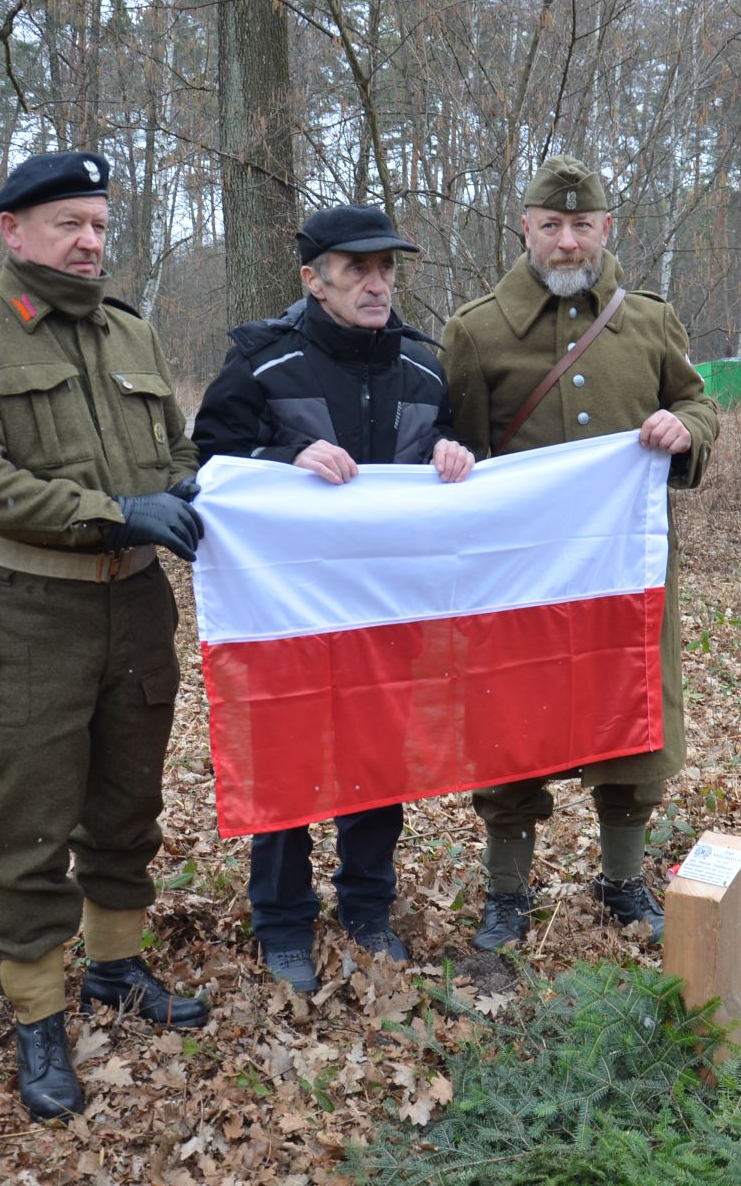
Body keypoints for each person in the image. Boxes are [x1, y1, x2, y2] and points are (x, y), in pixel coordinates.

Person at [0, 150, 209, 1122]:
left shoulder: (129, 330)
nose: (89, 242)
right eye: (66, 224)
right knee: (33, 819)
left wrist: (205, 489)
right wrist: (114, 510)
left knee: (126, 804)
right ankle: (38, 1013)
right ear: (13, 231)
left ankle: (117, 969)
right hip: (31, 616)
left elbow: (172, 457)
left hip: (136, 610)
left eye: (97, 224)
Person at [192, 204, 474, 992]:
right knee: (286, 760)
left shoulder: (424, 368)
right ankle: (281, 920)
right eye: (357, 269)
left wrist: (455, 450)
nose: (376, 283)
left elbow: (443, 447)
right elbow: (210, 459)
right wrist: (283, 456)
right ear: (314, 280)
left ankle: (367, 908)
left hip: (389, 615)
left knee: (379, 760)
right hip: (286, 616)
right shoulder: (262, 363)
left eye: (386, 268)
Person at [440, 154, 719, 951]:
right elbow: (453, 447)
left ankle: (624, 879)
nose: (567, 243)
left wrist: (686, 430)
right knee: (511, 724)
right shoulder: (475, 331)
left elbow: (695, 399)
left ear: (607, 230)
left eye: (582, 227)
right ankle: (507, 893)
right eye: (552, 227)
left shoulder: (651, 320)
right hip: (518, 579)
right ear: (524, 228)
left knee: (634, 718)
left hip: (627, 573)